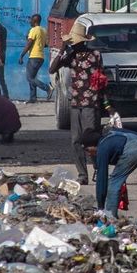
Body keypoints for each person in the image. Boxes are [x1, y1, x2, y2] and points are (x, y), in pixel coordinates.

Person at [49, 21, 103, 184]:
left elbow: (101, 79)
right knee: (75, 141)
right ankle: (82, 175)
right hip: (75, 103)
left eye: (73, 42)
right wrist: (62, 49)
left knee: (91, 139)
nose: (73, 44)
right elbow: (52, 69)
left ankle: (98, 169)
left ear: (82, 41)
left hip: (91, 103)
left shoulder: (95, 55)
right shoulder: (70, 55)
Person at [82, 126, 137, 232]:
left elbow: (101, 180)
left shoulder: (103, 146)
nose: (89, 154)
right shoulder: (113, 134)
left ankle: (110, 220)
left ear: (93, 145)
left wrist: (100, 207)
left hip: (133, 150)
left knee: (114, 183)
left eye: (87, 150)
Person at [19, 13, 52, 103]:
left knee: (29, 78)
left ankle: (47, 88)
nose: (29, 21)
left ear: (35, 21)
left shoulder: (34, 30)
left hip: (34, 56)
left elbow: (29, 44)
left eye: (31, 20)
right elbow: (45, 45)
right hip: (40, 57)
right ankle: (33, 98)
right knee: (32, 77)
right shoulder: (43, 30)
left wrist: (22, 55)